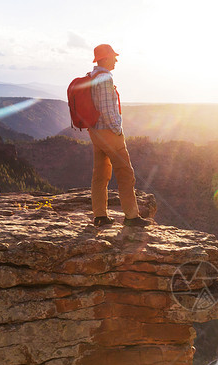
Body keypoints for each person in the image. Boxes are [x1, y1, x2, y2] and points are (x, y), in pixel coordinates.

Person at [88, 43, 151, 227]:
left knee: (100, 174)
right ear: (105, 58)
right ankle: (131, 217)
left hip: (95, 132)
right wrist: (118, 130)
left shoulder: (92, 76)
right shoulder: (105, 78)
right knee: (125, 174)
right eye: (113, 57)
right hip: (109, 133)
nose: (116, 60)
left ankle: (100, 216)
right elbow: (108, 110)